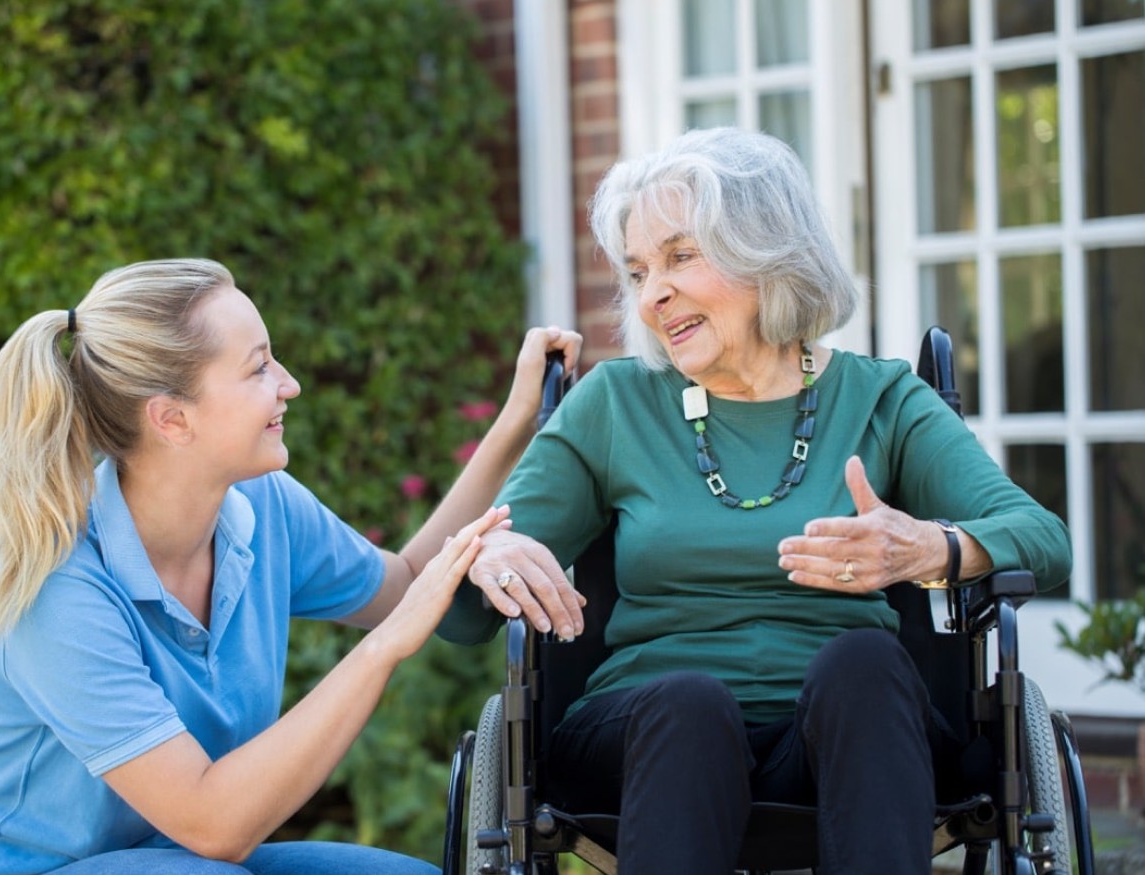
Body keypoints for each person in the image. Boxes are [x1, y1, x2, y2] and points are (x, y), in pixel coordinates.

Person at [436, 127, 1072, 874]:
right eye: (638, 271)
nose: (651, 295)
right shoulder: (615, 404)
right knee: (689, 706)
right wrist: (491, 553)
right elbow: (461, 617)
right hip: (647, 737)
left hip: (843, 739)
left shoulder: (881, 397)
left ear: (766, 251)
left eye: (680, 256)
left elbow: (1043, 538)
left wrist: (933, 547)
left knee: (866, 662)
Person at [0, 257, 581, 875]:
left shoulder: (260, 506)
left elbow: (403, 582)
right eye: (258, 367)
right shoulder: (58, 587)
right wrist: (383, 648)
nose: (288, 384)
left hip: (181, 857)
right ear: (172, 419)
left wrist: (518, 419)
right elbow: (216, 823)